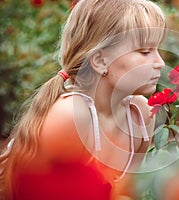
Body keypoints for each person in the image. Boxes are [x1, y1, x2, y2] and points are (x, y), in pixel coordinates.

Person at [0, 0, 166, 199]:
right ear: (100, 61)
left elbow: (125, 195)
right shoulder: (71, 115)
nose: (160, 62)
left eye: (158, 50)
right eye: (145, 52)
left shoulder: (140, 115)